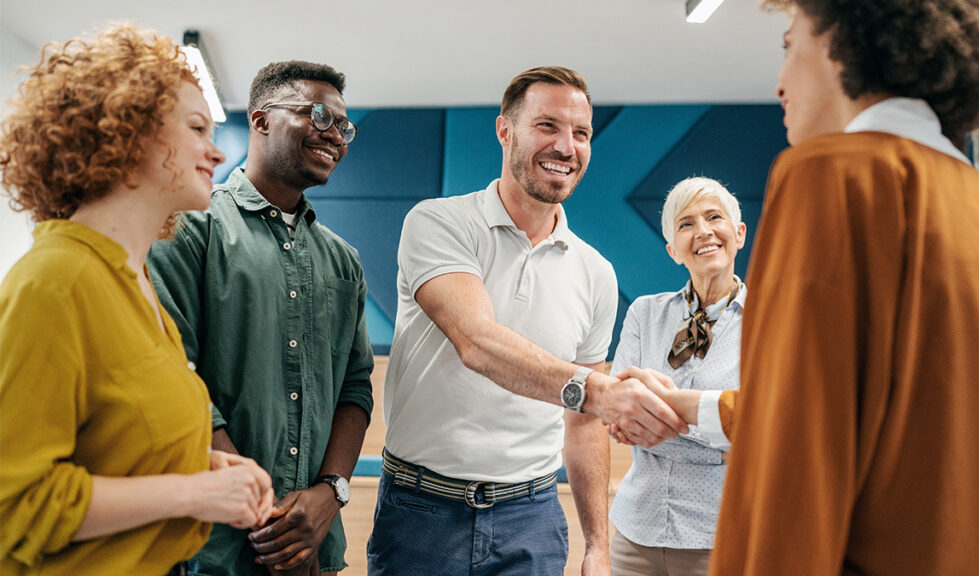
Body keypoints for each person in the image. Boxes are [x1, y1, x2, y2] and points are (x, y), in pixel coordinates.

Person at [636, 1, 979, 574]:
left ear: (843, 39)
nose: (780, 83)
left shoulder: (831, 175)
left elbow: (792, 453)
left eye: (790, 45)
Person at [366, 66, 686, 576]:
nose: (566, 145)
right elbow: (477, 342)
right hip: (421, 511)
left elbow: (582, 427)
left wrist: (598, 546)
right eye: (548, 126)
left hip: (531, 518)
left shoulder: (597, 273)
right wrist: (601, 391)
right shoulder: (439, 222)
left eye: (581, 133)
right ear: (505, 130)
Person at [0, 23, 274, 576]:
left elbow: (115, 444)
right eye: (197, 127)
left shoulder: (135, 281)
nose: (216, 152)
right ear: (125, 136)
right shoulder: (56, 281)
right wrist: (195, 493)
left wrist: (208, 465)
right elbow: (14, 506)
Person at [147, 61, 374, 576]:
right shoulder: (186, 228)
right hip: (211, 549)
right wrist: (266, 514)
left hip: (314, 548)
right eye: (318, 115)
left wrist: (327, 497)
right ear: (262, 119)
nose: (334, 135)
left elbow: (356, 388)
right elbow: (170, 378)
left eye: (344, 125)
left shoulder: (344, 261)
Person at [607, 177, 746, 576]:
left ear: (737, 234)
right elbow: (618, 416)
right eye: (685, 224)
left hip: (719, 536)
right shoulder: (644, 313)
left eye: (713, 217)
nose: (702, 231)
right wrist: (719, 431)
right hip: (637, 533)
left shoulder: (771, 322)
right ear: (673, 250)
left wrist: (659, 417)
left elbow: (764, 428)